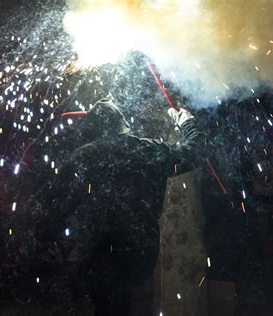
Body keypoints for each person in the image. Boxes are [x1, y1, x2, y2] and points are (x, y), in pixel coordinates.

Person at [36, 98, 203, 315]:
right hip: (141, 252)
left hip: (101, 252)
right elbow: (193, 153)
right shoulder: (145, 149)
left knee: (107, 304)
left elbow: (57, 205)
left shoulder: (82, 157)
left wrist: (43, 235)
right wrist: (186, 122)